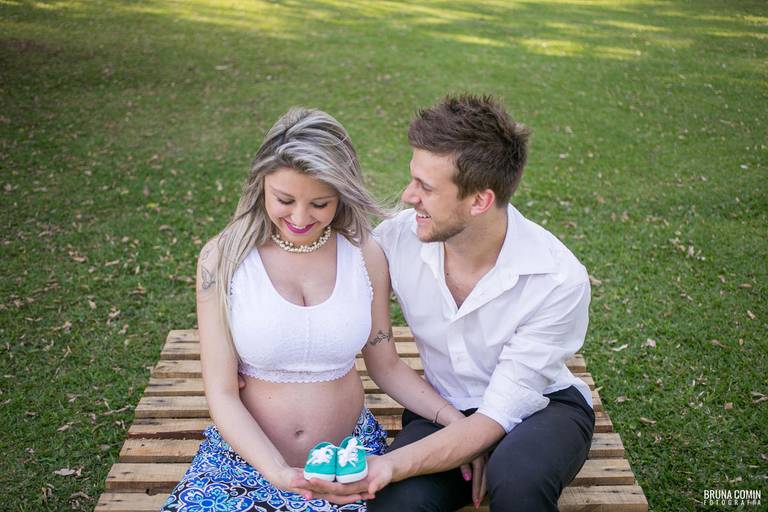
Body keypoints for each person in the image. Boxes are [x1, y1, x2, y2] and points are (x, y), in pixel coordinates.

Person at [160, 108, 470, 512]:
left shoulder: (365, 254)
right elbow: (221, 392)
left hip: (349, 466)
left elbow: (387, 366)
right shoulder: (223, 259)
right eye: (284, 200)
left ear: (342, 195)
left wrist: (457, 424)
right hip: (245, 464)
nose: (300, 218)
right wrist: (277, 471)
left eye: (320, 203)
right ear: (261, 184)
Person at [309, 94, 596, 511]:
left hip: (543, 408)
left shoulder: (557, 279)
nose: (408, 196)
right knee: (395, 503)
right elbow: (317, 259)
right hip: (444, 407)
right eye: (413, 179)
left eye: (425, 187)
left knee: (518, 480)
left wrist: (388, 464)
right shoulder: (395, 241)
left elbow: (501, 412)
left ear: (479, 200)